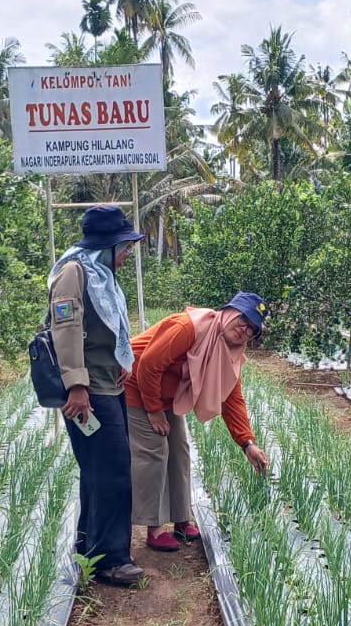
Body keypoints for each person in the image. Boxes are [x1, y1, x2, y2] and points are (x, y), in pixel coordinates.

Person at [124, 293, 273, 552]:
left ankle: (181, 519)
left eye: (252, 328)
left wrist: (247, 443)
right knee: (154, 451)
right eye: (243, 319)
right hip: (134, 383)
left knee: (180, 450)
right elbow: (148, 364)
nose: (244, 329)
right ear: (228, 312)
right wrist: (154, 410)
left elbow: (232, 398)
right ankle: (154, 527)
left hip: (165, 396)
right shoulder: (189, 327)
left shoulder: (231, 353)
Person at [49, 205, 145, 586]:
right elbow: (66, 328)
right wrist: (76, 384)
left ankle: (89, 547)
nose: (127, 253)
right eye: (124, 246)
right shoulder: (74, 272)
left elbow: (107, 326)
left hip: (109, 385)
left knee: (98, 471)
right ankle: (111, 560)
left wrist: (123, 358)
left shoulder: (102, 275)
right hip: (89, 392)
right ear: (104, 245)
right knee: (113, 472)